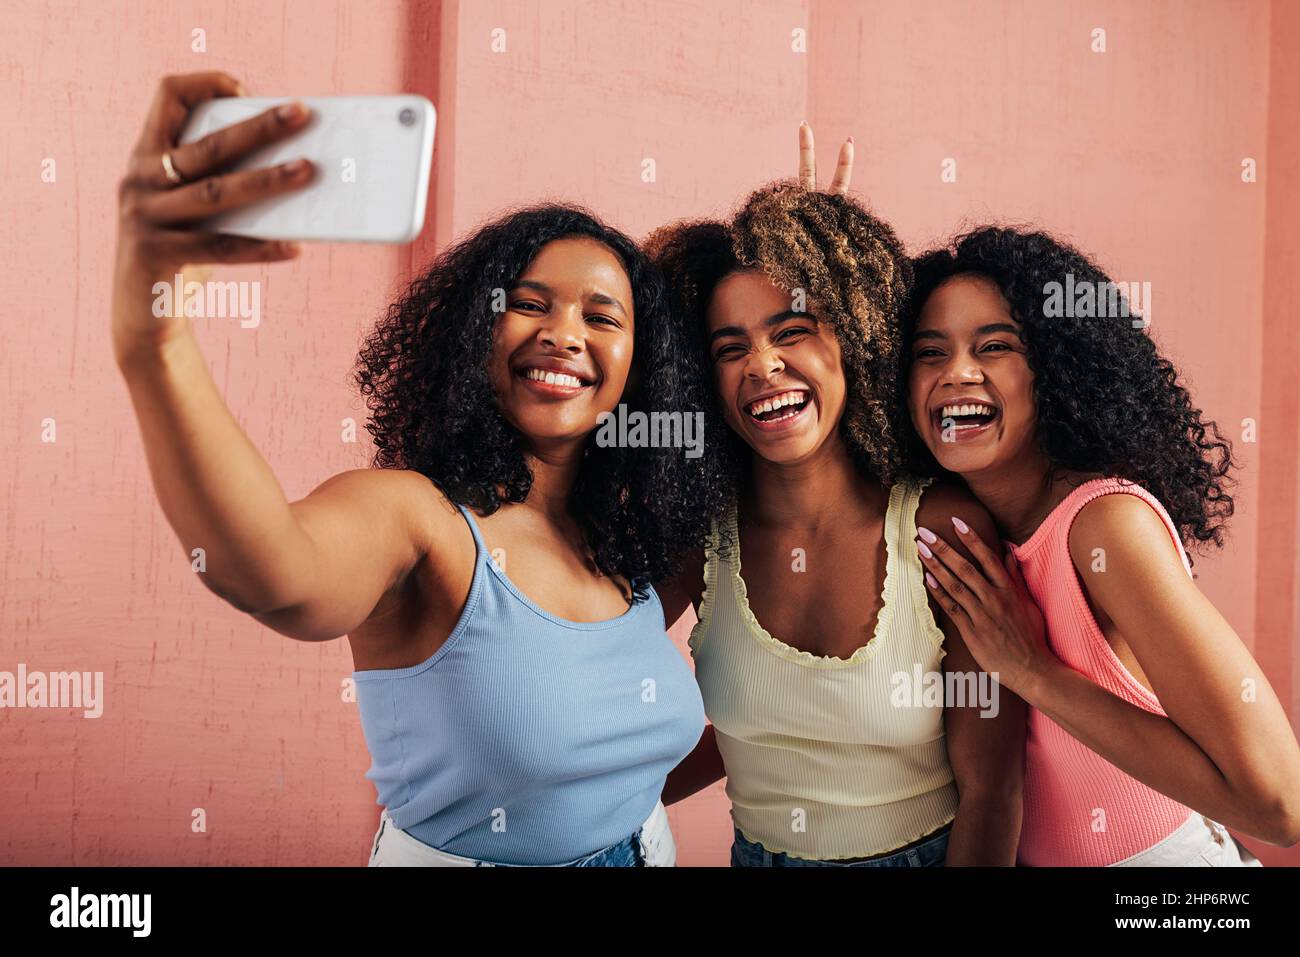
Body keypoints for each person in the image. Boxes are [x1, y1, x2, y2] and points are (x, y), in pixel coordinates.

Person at [112, 71, 716, 867]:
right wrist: (156, 342)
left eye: (601, 316)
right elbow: (269, 568)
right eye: (530, 304)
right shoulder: (418, 520)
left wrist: (796, 295)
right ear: (475, 333)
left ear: (642, 369)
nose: (565, 333)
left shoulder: (631, 545)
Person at [651, 126, 1026, 867]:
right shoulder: (703, 536)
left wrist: (825, 258)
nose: (762, 363)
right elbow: (746, 729)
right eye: (731, 348)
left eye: (792, 329)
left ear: (854, 335)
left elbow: (994, 792)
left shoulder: (940, 528)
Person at [903, 225, 1300, 865]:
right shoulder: (965, 526)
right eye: (929, 351)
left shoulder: (1103, 525)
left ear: (1055, 371)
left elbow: (1280, 805)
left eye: (995, 346)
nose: (957, 373)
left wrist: (1032, 671)